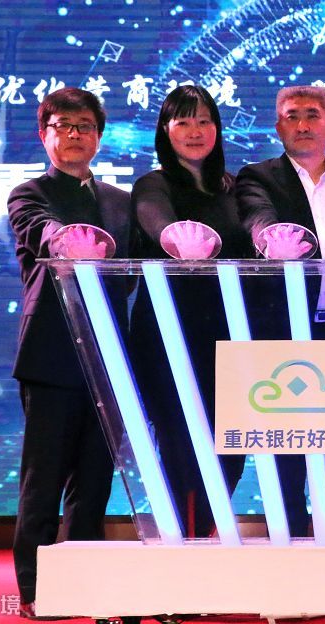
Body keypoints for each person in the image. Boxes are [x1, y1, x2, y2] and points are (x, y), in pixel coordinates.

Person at [7, 87, 133, 618]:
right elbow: (40, 232)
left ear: (99, 137)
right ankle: (34, 590)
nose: (75, 134)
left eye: (84, 125)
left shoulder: (121, 201)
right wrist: (68, 239)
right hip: (51, 354)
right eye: (63, 125)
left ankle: (81, 583)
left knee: (94, 478)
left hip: (110, 353)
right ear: (45, 135)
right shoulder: (29, 193)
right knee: (44, 478)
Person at [234, 85, 325, 538]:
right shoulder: (257, 176)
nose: (302, 125)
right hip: (281, 331)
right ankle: (289, 550)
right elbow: (257, 217)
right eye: (291, 116)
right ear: (278, 127)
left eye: (312, 115)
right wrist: (273, 239)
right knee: (286, 450)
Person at [129, 85, 252, 538]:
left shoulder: (235, 188)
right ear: (166, 130)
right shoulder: (153, 185)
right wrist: (181, 241)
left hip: (230, 333)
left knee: (231, 442)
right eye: (183, 122)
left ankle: (204, 535)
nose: (195, 131)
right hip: (169, 334)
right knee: (180, 442)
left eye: (204, 121)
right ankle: (183, 544)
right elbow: (159, 226)